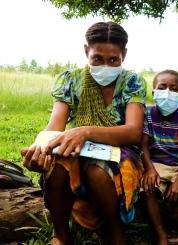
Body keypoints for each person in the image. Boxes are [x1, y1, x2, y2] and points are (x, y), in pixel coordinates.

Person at [21, 22, 147, 245]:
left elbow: (133, 132)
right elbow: (55, 127)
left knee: (98, 173)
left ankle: (115, 234)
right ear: (86, 51)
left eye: (113, 60)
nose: (105, 66)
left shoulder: (132, 81)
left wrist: (86, 131)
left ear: (124, 55)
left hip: (119, 149)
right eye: (97, 58)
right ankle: (61, 235)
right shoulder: (71, 80)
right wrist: (40, 147)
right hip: (78, 146)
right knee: (57, 168)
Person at [141, 70, 178, 244]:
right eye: (162, 87)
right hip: (157, 164)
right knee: (147, 189)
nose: (167, 92)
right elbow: (143, 145)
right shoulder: (148, 115)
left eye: (174, 89)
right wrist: (150, 170)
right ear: (153, 93)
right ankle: (161, 235)